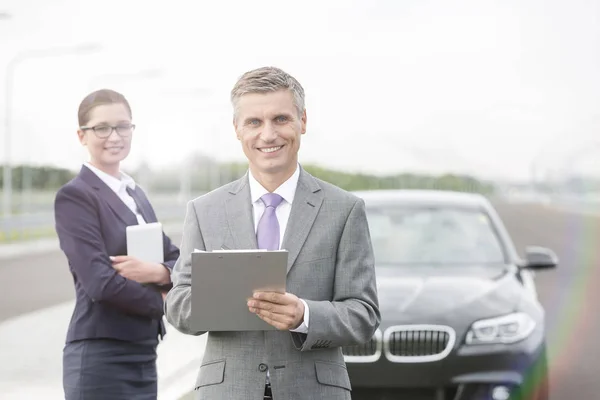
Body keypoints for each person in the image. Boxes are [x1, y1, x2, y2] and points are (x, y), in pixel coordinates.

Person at [164, 66, 381, 400]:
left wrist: (305, 315)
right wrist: (221, 299)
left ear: (302, 122)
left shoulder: (345, 209)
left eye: (280, 119)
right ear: (237, 128)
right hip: (228, 390)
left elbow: (364, 315)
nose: (267, 135)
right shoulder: (204, 210)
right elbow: (178, 306)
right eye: (254, 122)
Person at [54, 89, 180, 400]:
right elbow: (100, 283)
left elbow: (177, 258)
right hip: (101, 355)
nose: (114, 136)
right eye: (102, 127)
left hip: (144, 354)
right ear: (82, 135)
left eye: (123, 126)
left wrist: (158, 272)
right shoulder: (76, 195)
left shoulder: (135, 193)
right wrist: (165, 303)